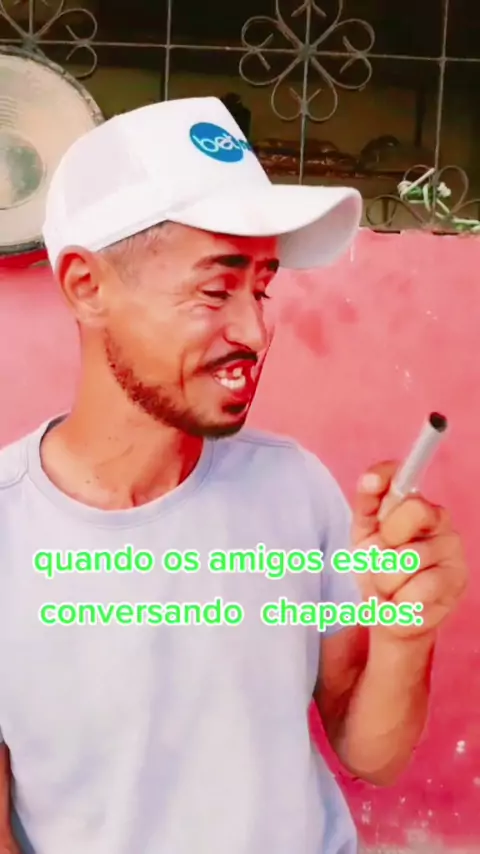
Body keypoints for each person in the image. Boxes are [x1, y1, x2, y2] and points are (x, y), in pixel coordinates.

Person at [0, 96, 467, 854]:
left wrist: (404, 632)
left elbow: (370, 755)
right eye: (216, 290)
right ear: (88, 285)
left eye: (263, 288)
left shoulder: (292, 489)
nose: (255, 330)